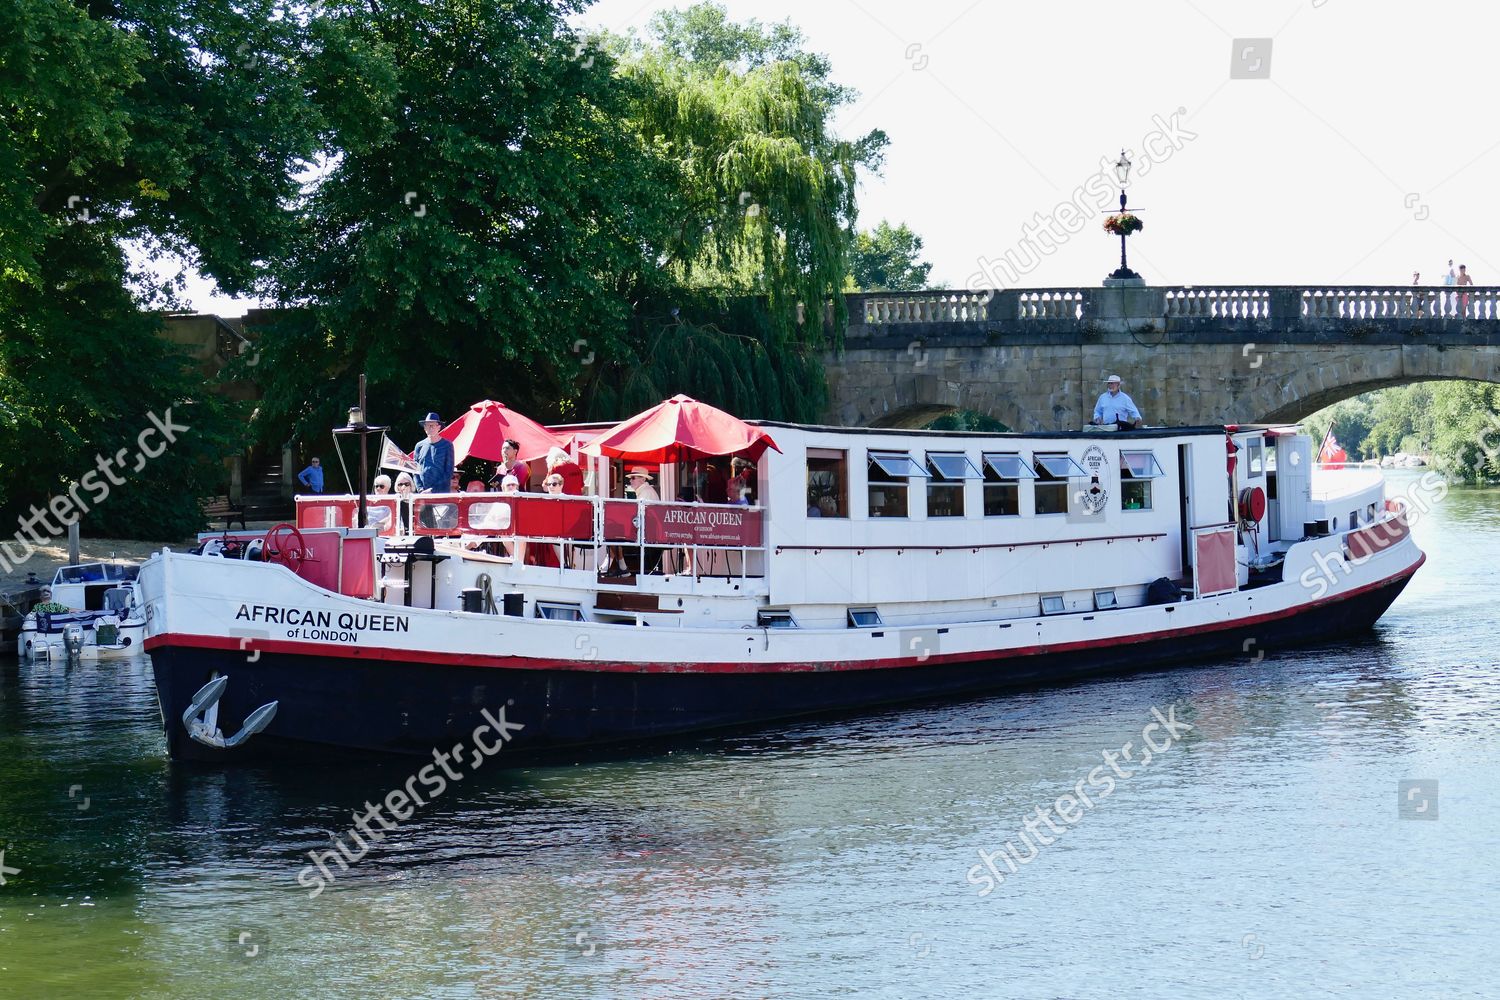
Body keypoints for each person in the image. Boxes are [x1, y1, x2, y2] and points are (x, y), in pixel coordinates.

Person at [413, 412, 454, 493]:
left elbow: (449, 472)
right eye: (428, 425)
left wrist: (432, 490)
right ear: (424, 427)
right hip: (423, 495)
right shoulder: (419, 446)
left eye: (433, 425)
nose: (430, 427)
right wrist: (420, 489)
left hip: (441, 494)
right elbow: (414, 470)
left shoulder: (447, 445)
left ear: (439, 427)